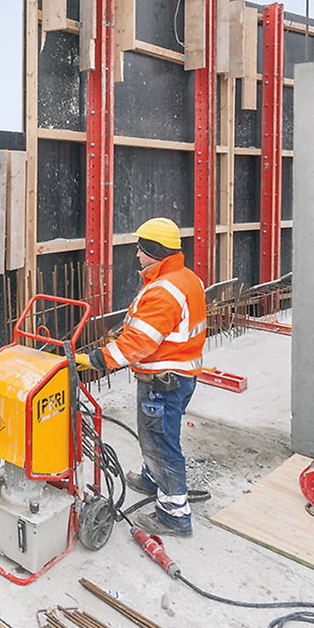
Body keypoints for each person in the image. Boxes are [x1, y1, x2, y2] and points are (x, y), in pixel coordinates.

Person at [78, 217, 207, 537]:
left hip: (163, 383)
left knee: (161, 443)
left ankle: (174, 515)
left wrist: (96, 359)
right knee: (156, 436)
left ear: (154, 249)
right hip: (180, 376)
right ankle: (152, 478)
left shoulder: (164, 290)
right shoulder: (184, 278)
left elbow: (139, 342)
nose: (136, 254)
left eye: (141, 248)